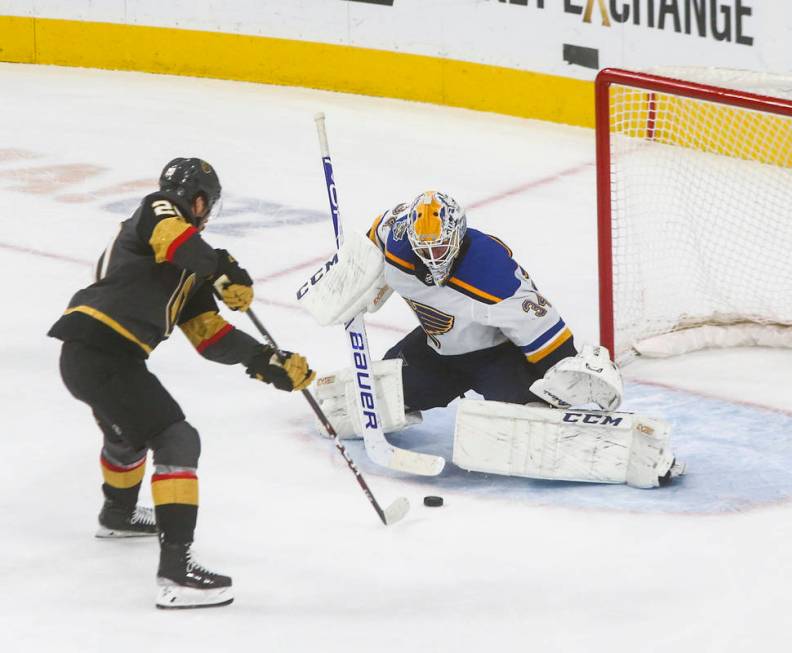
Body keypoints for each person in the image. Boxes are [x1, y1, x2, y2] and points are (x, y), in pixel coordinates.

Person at [48, 158, 315, 609]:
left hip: (93, 356)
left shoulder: (190, 265)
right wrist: (221, 268)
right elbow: (176, 241)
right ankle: (177, 573)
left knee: (130, 432)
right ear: (197, 200)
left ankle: (117, 514)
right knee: (176, 439)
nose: (205, 211)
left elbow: (209, 336)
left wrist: (267, 362)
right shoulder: (157, 210)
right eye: (205, 203)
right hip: (100, 349)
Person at [299, 191, 680, 488]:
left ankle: (628, 449)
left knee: (537, 423)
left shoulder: (494, 275)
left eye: (440, 247)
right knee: (355, 405)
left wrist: (564, 396)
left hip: (498, 357)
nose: (432, 257)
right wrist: (352, 286)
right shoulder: (392, 235)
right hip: (437, 349)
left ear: (458, 234)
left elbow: (550, 342)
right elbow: (365, 257)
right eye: (424, 248)